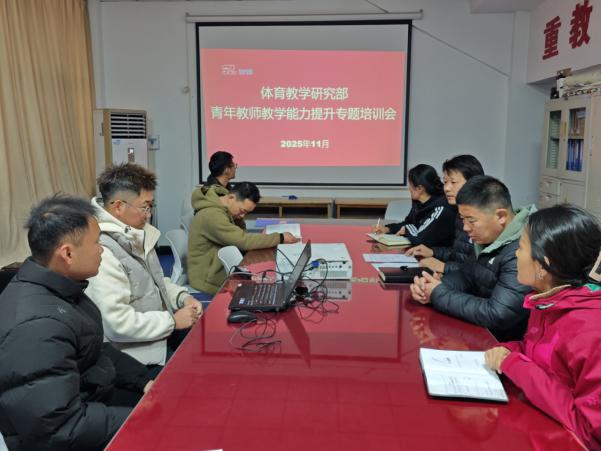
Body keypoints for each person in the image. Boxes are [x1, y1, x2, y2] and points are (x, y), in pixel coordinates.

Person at [0, 195, 155, 450]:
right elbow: (61, 429)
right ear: (68, 253)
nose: (101, 249)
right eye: (96, 242)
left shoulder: (61, 288)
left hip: (90, 400)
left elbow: (93, 348)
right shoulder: (38, 326)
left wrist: (144, 380)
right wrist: (144, 419)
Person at [485, 205, 601, 450]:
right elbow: (540, 353)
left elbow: (590, 434)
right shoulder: (548, 299)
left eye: (521, 248)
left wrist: (514, 365)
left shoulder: (589, 330)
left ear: (543, 265)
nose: (516, 255)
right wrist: (509, 350)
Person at [86, 163, 203, 369]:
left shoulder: (135, 233)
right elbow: (117, 324)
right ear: (118, 206)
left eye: (150, 206)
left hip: (159, 336)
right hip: (135, 357)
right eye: (145, 207)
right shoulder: (102, 249)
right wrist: (172, 322)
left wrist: (182, 297)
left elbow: (154, 282)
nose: (148, 214)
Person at [410, 175, 535, 341]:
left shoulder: (522, 249)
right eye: (463, 219)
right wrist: (431, 287)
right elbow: (467, 276)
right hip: (480, 333)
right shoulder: (489, 237)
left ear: (501, 216)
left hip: (506, 345)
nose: (466, 228)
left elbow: (498, 313)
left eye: (471, 221)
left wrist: (439, 294)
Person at [188, 181, 299, 295]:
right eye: (242, 211)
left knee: (265, 278)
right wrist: (280, 238)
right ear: (231, 198)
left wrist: (238, 218)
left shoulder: (225, 206)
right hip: (207, 279)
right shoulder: (212, 215)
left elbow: (241, 234)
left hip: (219, 267)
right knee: (259, 290)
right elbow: (243, 241)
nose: (242, 216)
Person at [406, 155, 484, 273]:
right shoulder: (459, 213)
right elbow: (459, 255)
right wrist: (433, 252)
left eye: (453, 182)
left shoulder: (485, 217)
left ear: (473, 183)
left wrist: (444, 267)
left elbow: (483, 270)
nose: (446, 188)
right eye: (445, 182)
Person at [371, 164, 456, 248]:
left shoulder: (441, 206)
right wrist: (387, 229)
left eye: (410, 184)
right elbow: (409, 223)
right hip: (419, 249)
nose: (409, 188)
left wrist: (407, 229)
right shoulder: (418, 201)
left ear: (420, 188)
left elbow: (420, 239)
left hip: (436, 252)